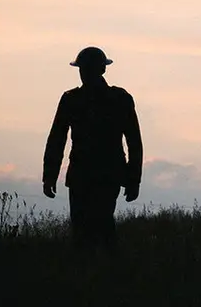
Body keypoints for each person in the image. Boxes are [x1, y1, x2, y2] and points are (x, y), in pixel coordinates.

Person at [43, 46, 144, 249]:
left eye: (86, 69)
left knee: (95, 227)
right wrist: (49, 176)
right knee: (91, 228)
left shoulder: (75, 99)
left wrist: (134, 180)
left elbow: (134, 142)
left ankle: (98, 272)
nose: (84, 74)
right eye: (83, 69)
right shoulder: (114, 99)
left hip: (97, 174)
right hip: (96, 174)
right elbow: (57, 140)